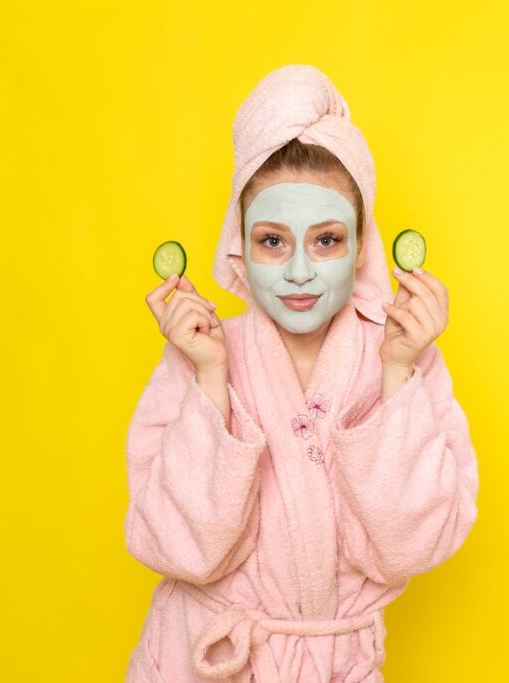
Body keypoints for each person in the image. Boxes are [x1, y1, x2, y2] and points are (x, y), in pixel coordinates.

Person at [123, 64, 479, 682]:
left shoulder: (401, 356)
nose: (297, 273)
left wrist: (399, 373)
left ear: (362, 246)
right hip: (200, 661)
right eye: (272, 241)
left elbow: (411, 548)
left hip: (334, 665)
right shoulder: (202, 352)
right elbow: (180, 551)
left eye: (325, 241)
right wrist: (210, 379)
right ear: (239, 245)